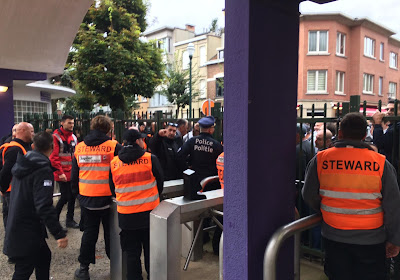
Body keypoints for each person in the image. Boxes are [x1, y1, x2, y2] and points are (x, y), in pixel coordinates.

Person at [302, 113, 400, 280]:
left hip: (334, 238)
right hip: (371, 241)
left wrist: (327, 208)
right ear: (364, 135)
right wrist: (394, 239)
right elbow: (393, 206)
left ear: (340, 133)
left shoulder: (320, 159)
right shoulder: (381, 163)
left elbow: (309, 195)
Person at [3, 131, 68, 280]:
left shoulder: (25, 163)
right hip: (27, 229)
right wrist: (58, 233)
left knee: (44, 257)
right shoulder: (42, 170)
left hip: (21, 225)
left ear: (33, 146)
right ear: (52, 147)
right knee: (23, 269)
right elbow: (44, 205)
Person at [72, 115, 122, 280]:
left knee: (89, 234)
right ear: (109, 129)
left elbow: (74, 175)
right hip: (109, 199)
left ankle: (83, 269)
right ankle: (117, 265)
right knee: (112, 233)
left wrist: (77, 195)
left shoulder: (79, 147)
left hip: (87, 198)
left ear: (92, 127)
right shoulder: (113, 146)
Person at [110, 129, 164, 280]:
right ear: (138, 141)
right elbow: (160, 183)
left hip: (126, 216)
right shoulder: (150, 159)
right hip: (149, 215)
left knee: (132, 253)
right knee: (150, 250)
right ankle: (152, 276)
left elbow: (112, 189)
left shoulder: (114, 163)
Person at [0, 122, 34, 228]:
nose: (33, 134)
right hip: (13, 192)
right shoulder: (15, 149)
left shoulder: (23, 147)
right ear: (23, 131)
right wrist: (3, 189)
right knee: (15, 223)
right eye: (32, 131)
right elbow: (5, 172)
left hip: (16, 191)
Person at [177, 116, 223, 192]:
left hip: (195, 180)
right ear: (210, 130)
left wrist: (187, 170)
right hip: (212, 181)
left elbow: (179, 156)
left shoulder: (192, 141)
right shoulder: (216, 145)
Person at [50, 115, 79, 229]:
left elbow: (75, 155)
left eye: (72, 123)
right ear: (62, 123)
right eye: (69, 123)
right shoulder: (56, 137)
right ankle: (54, 221)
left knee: (72, 196)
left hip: (71, 172)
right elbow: (54, 157)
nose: (71, 125)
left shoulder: (73, 137)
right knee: (65, 197)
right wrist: (60, 172)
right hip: (62, 173)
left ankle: (69, 220)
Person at [372, 100, 400, 172]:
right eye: (387, 109)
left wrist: (377, 124)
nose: (388, 112)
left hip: (393, 168)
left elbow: (379, 143)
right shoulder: (393, 126)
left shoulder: (396, 127)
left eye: (393, 110)